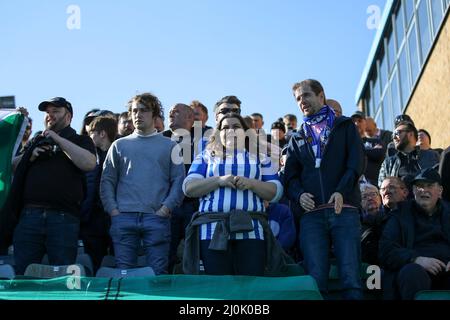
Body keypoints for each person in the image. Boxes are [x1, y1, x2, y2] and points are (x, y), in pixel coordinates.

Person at [284, 79, 365, 300]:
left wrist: (341, 190)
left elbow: (356, 162)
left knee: (351, 280)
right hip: (312, 217)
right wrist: (299, 195)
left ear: (321, 96)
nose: (302, 102)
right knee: (315, 281)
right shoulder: (297, 137)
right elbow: (289, 177)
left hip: (344, 210)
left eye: (306, 95)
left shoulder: (345, 125)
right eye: (298, 99)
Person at [182, 113, 285, 276]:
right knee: (219, 284)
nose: (230, 130)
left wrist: (251, 183)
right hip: (212, 230)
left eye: (236, 127)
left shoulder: (261, 157)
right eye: (225, 127)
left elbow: (276, 191)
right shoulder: (206, 157)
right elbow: (189, 188)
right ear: (218, 133)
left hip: (252, 229)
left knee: (251, 283)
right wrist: (219, 180)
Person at [9, 97, 96, 275]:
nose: (50, 116)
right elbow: (11, 166)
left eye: (55, 111)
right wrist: (30, 156)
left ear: (68, 116)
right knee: (23, 273)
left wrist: (58, 139)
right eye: (47, 112)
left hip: (63, 218)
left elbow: (89, 163)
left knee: (64, 275)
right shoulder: (36, 140)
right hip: (29, 217)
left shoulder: (80, 140)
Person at [100, 93, 185, 274]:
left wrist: (165, 209)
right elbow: (107, 181)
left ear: (155, 115)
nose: (138, 114)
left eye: (144, 110)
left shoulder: (170, 146)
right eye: (134, 111)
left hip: (157, 218)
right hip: (123, 217)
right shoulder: (118, 145)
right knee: (124, 276)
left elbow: (179, 182)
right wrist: (113, 211)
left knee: (157, 275)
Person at [379, 168, 450, 300]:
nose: (424, 190)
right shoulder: (400, 214)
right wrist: (416, 259)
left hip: (446, 268)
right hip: (415, 269)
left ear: (440, 191)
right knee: (412, 273)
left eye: (429, 186)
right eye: (419, 186)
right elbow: (386, 250)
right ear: (413, 191)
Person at [162, 103, 198, 273]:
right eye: (170, 111)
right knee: (165, 254)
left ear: (190, 118)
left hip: (193, 206)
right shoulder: (160, 139)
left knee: (194, 254)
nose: (171, 113)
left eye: (176, 111)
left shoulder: (202, 141)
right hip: (167, 206)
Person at [80, 116, 118, 273]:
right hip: (92, 219)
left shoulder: (120, 154)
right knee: (94, 262)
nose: (89, 137)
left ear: (102, 134)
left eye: (92, 133)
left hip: (115, 216)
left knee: (118, 259)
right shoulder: (88, 156)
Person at [378, 121, 440, 190]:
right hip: (401, 200)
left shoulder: (432, 155)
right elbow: (381, 188)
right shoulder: (388, 163)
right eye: (393, 136)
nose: (394, 138)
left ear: (410, 134)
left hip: (428, 197)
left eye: (397, 133)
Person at [351, 111, 385, 186]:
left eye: (359, 121)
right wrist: (370, 151)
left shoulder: (376, 141)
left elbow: (379, 154)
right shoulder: (348, 145)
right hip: (355, 187)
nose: (356, 124)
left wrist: (357, 151)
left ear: (365, 123)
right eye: (354, 121)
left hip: (375, 185)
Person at [360, 183, 386, 265]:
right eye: (364, 196)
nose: (370, 198)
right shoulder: (355, 222)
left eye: (373, 194)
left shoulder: (390, 217)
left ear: (380, 197)